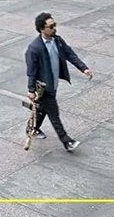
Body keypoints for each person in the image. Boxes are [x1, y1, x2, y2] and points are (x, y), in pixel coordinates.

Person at [25, 12, 93, 152]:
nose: (54, 28)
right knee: (54, 112)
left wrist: (83, 68)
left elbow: (70, 54)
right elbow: (31, 71)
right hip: (43, 87)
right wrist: (31, 90)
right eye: (51, 26)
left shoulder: (58, 40)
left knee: (44, 109)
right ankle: (67, 141)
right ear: (42, 29)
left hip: (53, 83)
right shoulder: (35, 48)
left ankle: (32, 128)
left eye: (54, 25)